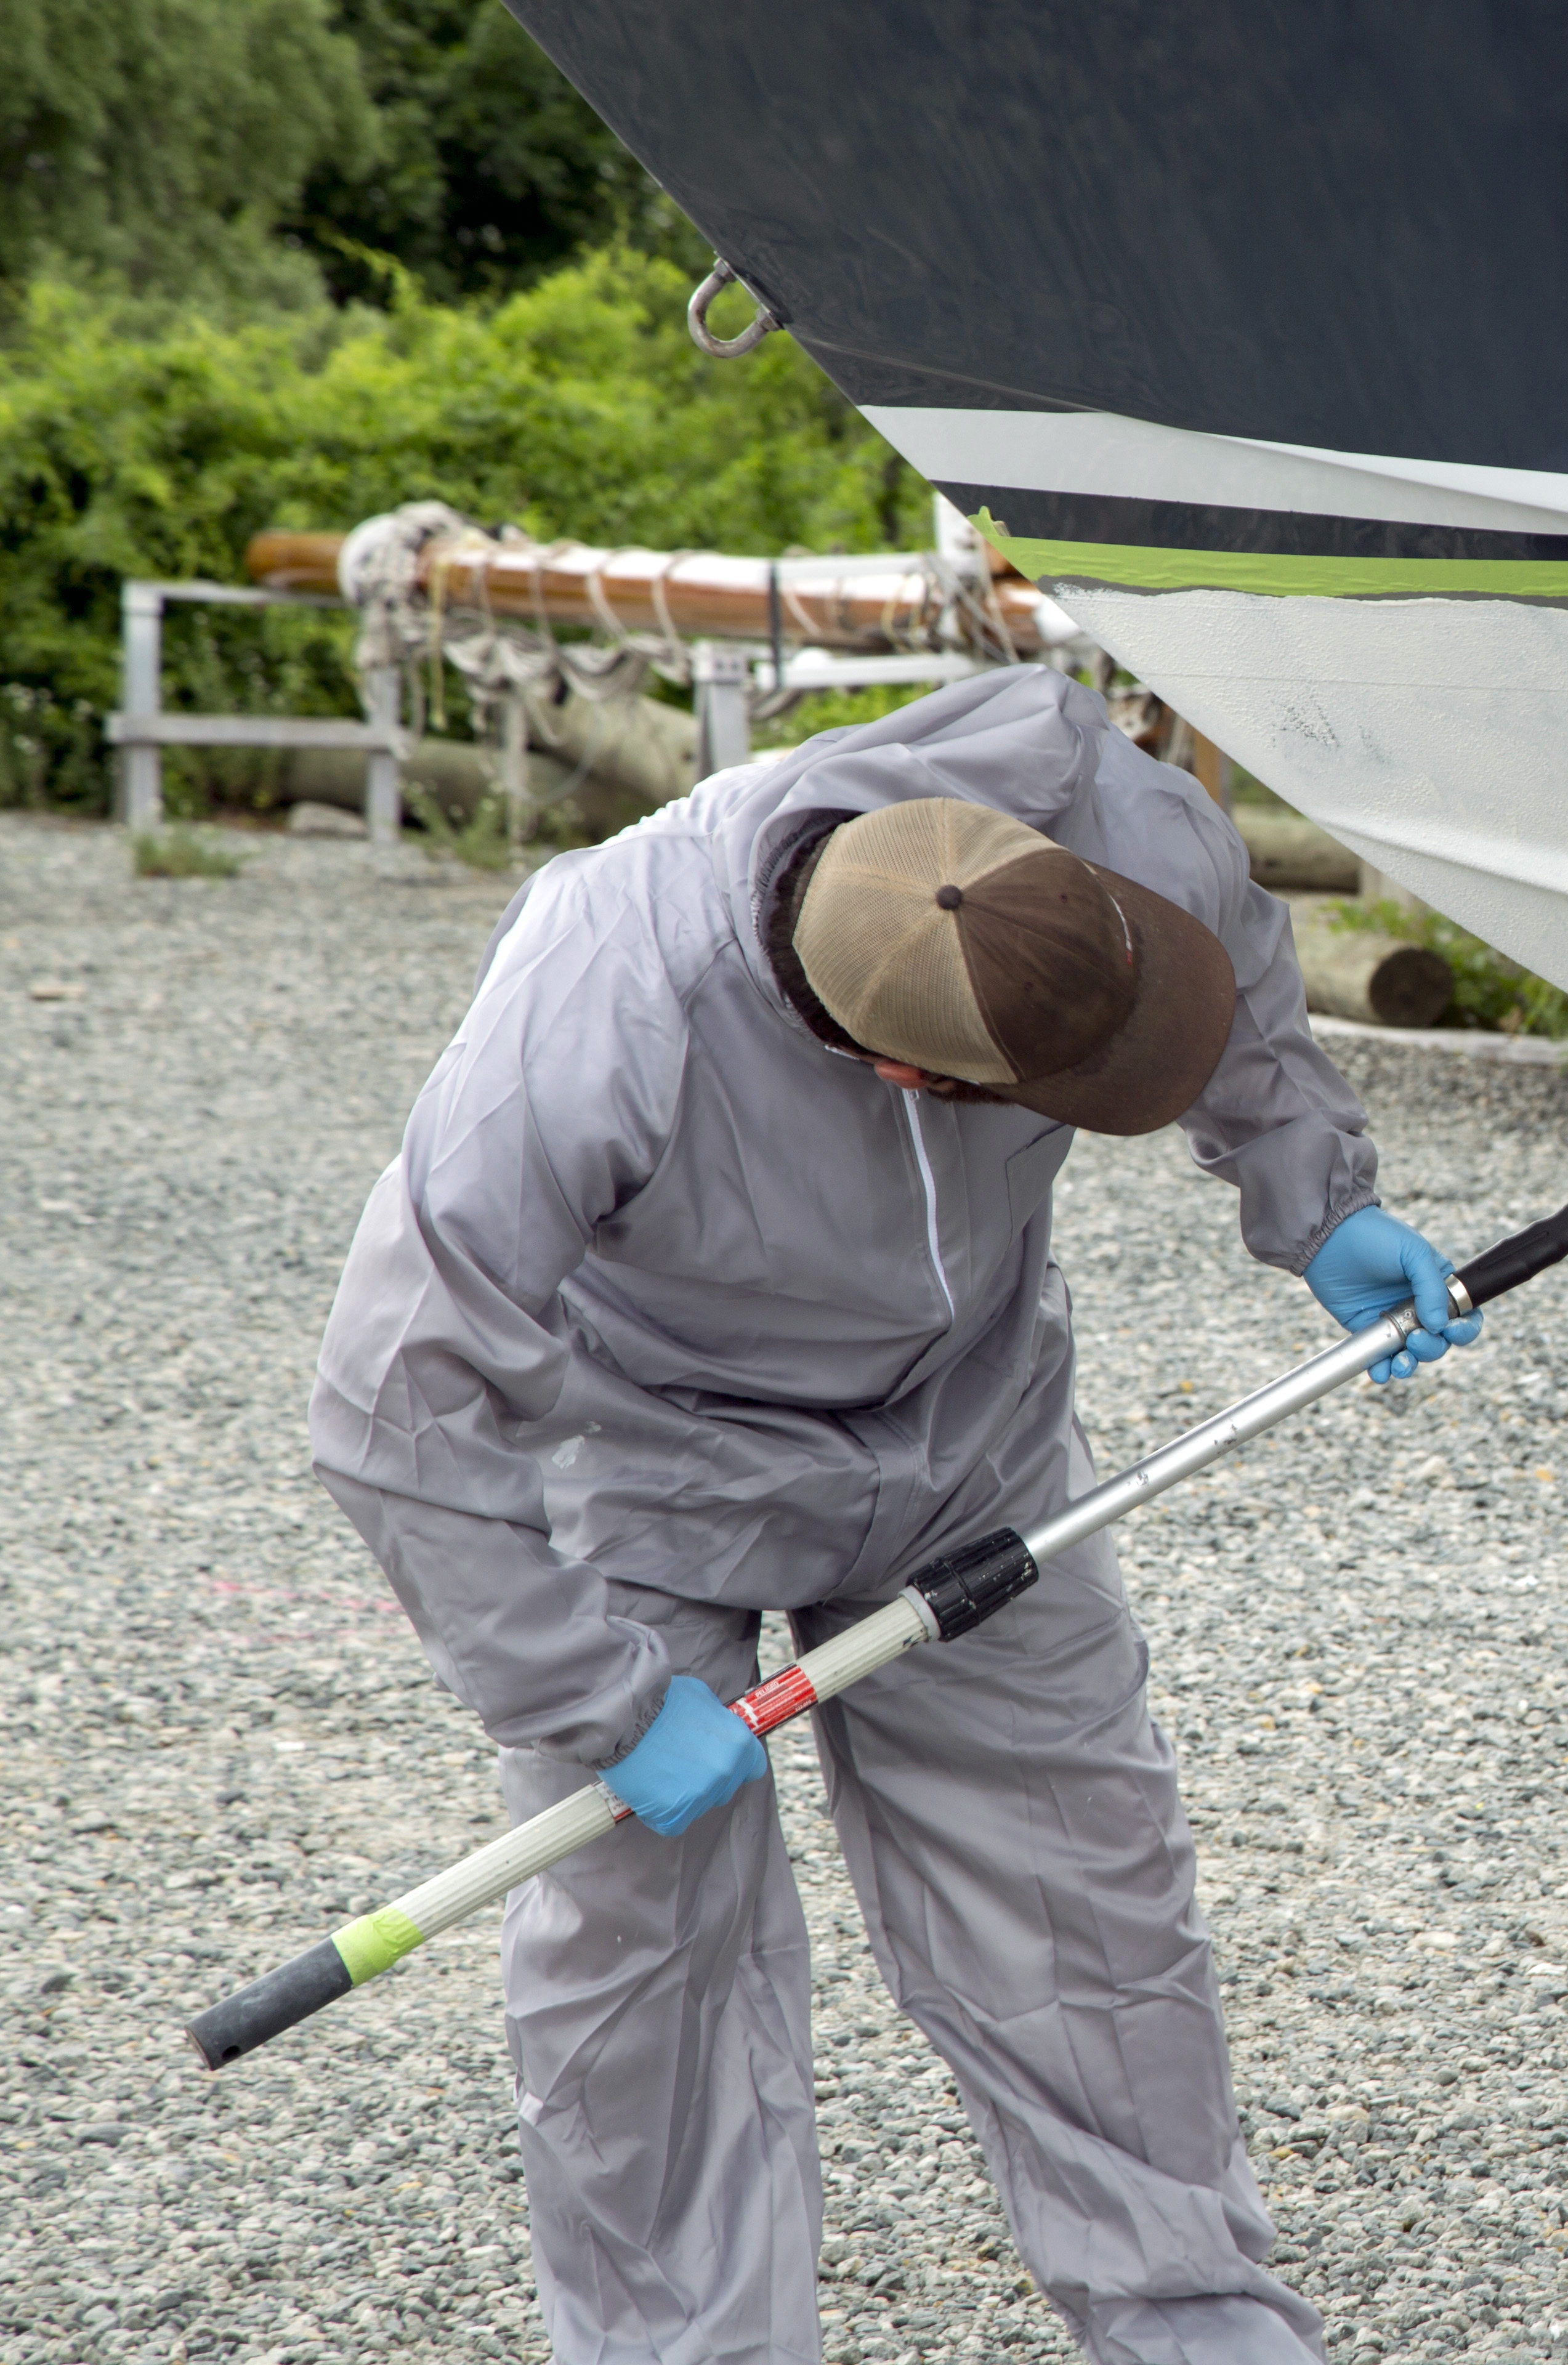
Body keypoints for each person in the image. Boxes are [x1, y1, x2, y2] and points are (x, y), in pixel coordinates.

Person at [312, 665, 1469, 2365]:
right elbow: (392, 1412)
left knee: (1089, 1898)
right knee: (650, 1971)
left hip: (973, 1428)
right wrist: (600, 1704)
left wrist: (1317, 1194)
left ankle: (1202, 2326)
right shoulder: (601, 999)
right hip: (660, 1456)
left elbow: (1233, 967)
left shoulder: (1099, 818)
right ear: (907, 1081)